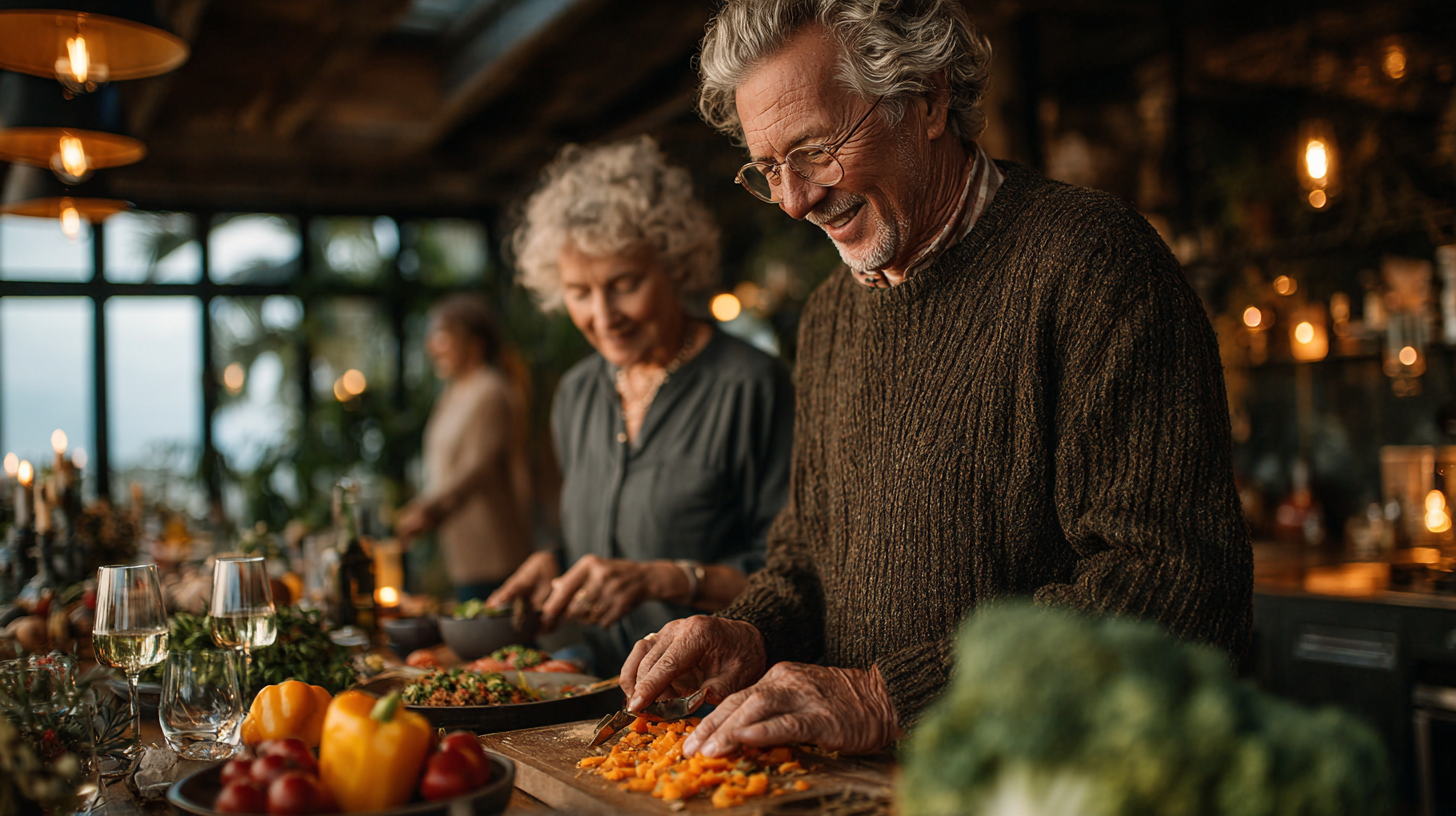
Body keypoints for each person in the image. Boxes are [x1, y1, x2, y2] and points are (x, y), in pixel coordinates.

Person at [621, 0, 1253, 760]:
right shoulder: (828, 315)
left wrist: (885, 698)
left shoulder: (1094, 265)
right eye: (767, 169)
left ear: (926, 100)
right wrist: (750, 632)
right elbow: (804, 560)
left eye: (816, 151)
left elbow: (1176, 592)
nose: (793, 200)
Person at [485, 136, 795, 674]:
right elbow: (593, 538)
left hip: (715, 698)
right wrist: (554, 562)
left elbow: (793, 574)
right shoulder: (578, 393)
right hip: (597, 697)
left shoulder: (752, 384)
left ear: (674, 264)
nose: (603, 316)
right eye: (579, 292)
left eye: (624, 284)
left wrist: (661, 579)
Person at [395, 294, 534, 602]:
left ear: (474, 343)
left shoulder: (492, 391)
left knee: (501, 639)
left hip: (492, 548)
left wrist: (427, 510)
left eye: (441, 336)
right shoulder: (454, 391)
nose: (432, 347)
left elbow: (475, 469)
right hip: (462, 549)